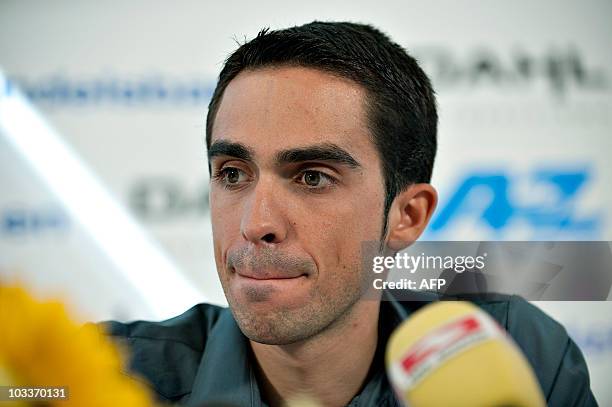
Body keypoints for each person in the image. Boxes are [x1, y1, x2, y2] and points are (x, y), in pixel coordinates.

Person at [103, 21, 597, 406]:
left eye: (312, 177)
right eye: (232, 173)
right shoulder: (94, 377)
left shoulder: (517, 351)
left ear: (407, 215)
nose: (256, 225)